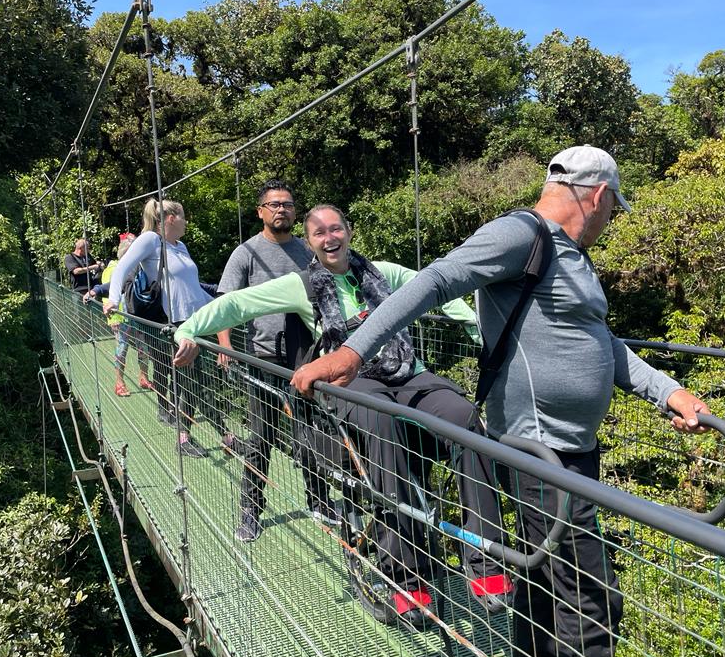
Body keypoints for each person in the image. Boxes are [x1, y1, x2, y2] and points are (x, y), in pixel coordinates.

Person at [291, 146, 711, 657]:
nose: (610, 221)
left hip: (575, 449)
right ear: (599, 195)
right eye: (612, 209)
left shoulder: (571, 256)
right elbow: (435, 281)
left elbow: (598, 341)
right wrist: (354, 352)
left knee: (544, 587)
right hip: (541, 451)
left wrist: (667, 391)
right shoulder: (520, 235)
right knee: (589, 598)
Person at [173, 204, 514, 624]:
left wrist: (475, 326)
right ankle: (406, 578)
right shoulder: (301, 285)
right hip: (352, 382)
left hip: (408, 372)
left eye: (336, 229)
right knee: (381, 423)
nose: (329, 237)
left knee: (464, 417)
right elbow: (237, 305)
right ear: (310, 243)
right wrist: (186, 330)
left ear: (349, 232)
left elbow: (436, 289)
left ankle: (485, 563)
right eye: (319, 233)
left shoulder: (384, 273)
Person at [212, 179, 334, 542]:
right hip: (262, 356)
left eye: (288, 204)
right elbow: (226, 303)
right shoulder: (246, 253)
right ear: (261, 212)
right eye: (274, 204)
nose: (282, 209)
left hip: (306, 357)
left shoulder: (306, 250)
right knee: (261, 435)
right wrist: (224, 344)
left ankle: (320, 501)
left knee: (309, 433)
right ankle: (250, 510)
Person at [105, 199, 225, 458]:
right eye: (183, 216)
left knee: (196, 382)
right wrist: (113, 300)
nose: (186, 221)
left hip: (196, 323)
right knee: (191, 381)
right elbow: (121, 268)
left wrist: (224, 307)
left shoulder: (180, 246)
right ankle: (190, 439)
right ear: (170, 218)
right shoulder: (150, 240)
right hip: (174, 325)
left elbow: (192, 289)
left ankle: (218, 435)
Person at [84, 233, 151, 397]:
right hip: (120, 317)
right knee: (122, 349)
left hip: (137, 316)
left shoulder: (140, 268)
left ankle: (144, 377)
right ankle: (119, 383)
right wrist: (96, 290)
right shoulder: (117, 268)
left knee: (144, 348)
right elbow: (112, 286)